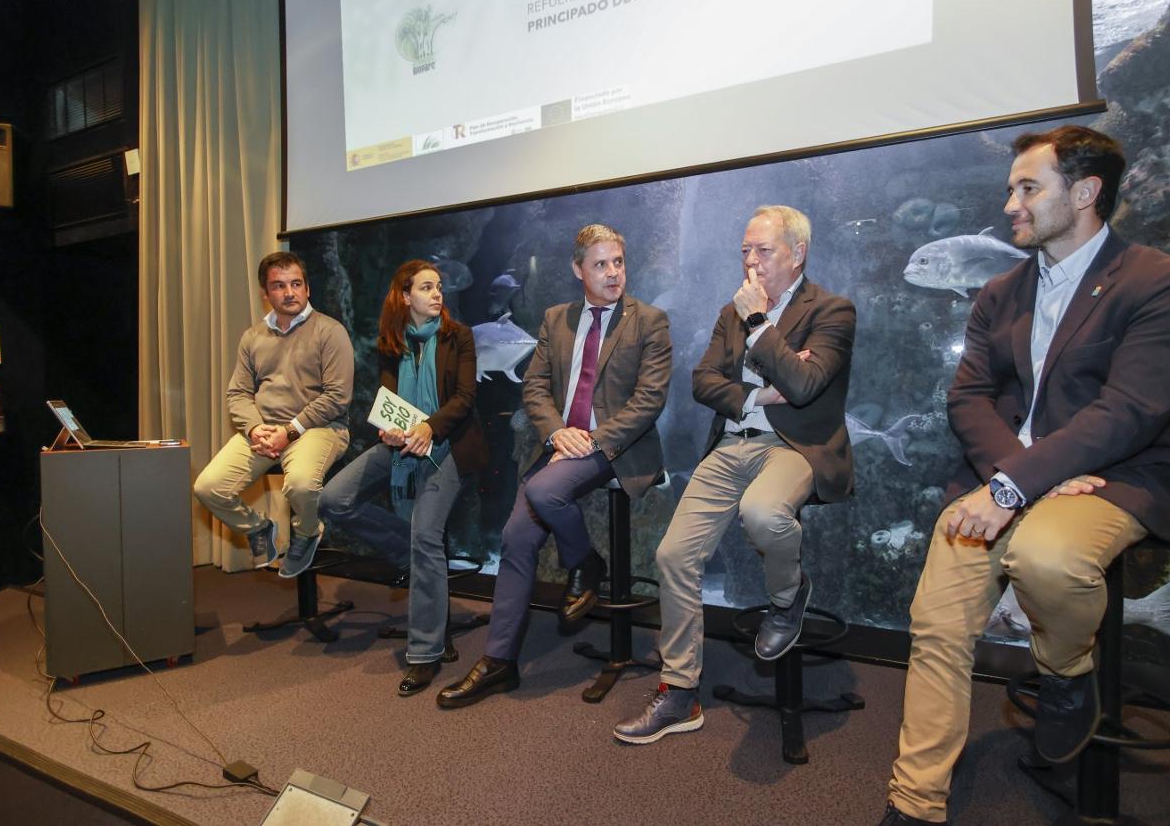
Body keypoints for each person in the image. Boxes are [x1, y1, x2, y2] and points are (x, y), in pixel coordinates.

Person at [879, 126, 1170, 826]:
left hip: (1106, 479)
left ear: (1086, 193)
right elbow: (967, 397)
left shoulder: (1163, 282)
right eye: (1010, 189)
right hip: (1014, 473)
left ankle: (1067, 673)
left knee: (1047, 556)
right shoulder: (999, 291)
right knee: (937, 621)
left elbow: (1132, 409)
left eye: (1028, 188)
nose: (1011, 205)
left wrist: (1017, 484)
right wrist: (1019, 474)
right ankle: (915, 803)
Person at [613, 204, 856, 744]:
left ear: (797, 254)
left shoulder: (833, 310)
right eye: (744, 250)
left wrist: (759, 325)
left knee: (763, 512)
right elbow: (702, 381)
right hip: (730, 443)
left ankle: (788, 596)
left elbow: (805, 385)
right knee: (672, 555)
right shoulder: (731, 310)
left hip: (794, 445)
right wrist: (754, 395)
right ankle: (679, 693)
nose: (750, 260)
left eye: (762, 250)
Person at [437, 224, 672, 708]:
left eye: (618, 262)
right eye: (601, 264)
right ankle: (500, 660)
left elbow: (649, 402)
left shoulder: (649, 321)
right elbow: (535, 388)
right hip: (561, 445)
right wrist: (555, 432)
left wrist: (592, 440)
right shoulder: (555, 318)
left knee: (544, 493)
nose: (613, 273)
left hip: (618, 448)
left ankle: (586, 564)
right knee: (516, 537)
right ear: (577, 269)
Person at [319, 260, 487, 696]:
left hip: (449, 446)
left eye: (439, 288)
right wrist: (391, 428)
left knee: (426, 535)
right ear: (405, 296)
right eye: (427, 288)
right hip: (402, 446)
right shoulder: (392, 343)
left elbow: (466, 398)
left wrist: (429, 427)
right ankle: (413, 560)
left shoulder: (459, 336)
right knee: (334, 499)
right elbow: (388, 399)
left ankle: (426, 653)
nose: (437, 295)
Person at [194, 251, 354, 578]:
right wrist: (254, 429)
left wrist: (290, 430)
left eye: (296, 284)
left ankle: (307, 534)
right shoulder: (253, 337)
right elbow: (238, 394)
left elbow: (338, 396)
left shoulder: (330, 330)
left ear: (308, 289)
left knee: (300, 485)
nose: (290, 292)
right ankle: (258, 530)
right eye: (279, 286)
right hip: (264, 431)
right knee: (208, 488)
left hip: (319, 428)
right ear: (266, 294)